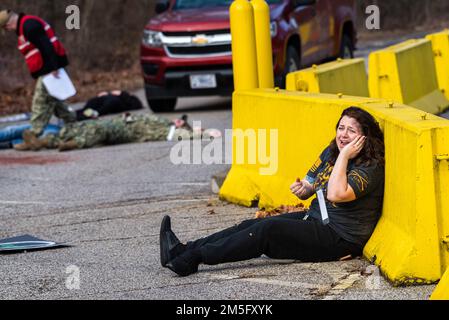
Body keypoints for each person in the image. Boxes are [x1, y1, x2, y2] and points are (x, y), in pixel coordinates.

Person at [159, 107, 385, 277]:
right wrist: (304, 189)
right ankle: (183, 250)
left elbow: (336, 194)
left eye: (351, 130)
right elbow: (310, 183)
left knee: (267, 229)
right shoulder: (332, 150)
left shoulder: (369, 166)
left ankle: (193, 259)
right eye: (340, 127)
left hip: (340, 238)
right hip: (318, 220)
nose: (343, 134)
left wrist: (345, 157)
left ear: (364, 138)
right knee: (250, 226)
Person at [0, 9, 76, 150]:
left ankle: (32, 136)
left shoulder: (29, 26)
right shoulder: (25, 26)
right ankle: (73, 125)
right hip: (47, 70)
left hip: (51, 70)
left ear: (9, 23)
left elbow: (46, 46)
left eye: (6, 27)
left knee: (39, 102)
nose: (8, 30)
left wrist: (53, 67)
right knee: (56, 101)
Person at [29, 113, 221, 152]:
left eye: (182, 123)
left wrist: (205, 133)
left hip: (121, 131)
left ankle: (73, 144)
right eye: (180, 119)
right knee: (81, 126)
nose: (179, 120)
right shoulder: (164, 120)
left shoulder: (169, 131)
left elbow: (186, 136)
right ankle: (43, 142)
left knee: (97, 130)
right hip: (116, 122)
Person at [76, 91, 144, 121]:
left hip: (111, 101)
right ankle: (72, 115)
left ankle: (73, 116)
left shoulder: (122, 99)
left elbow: (137, 104)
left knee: (86, 111)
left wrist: (122, 93)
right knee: (84, 111)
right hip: (105, 101)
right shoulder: (117, 98)